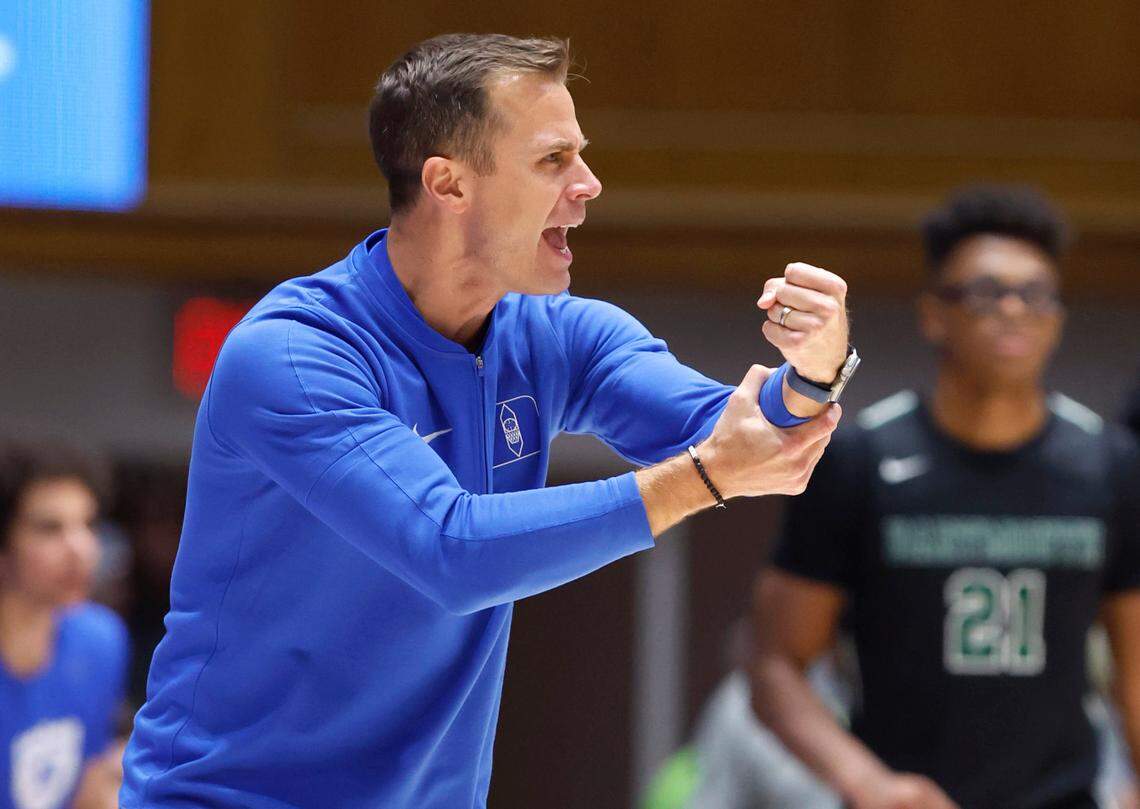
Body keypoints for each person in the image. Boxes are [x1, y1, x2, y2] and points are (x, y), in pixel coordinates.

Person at [120, 33, 856, 809]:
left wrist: (814, 370)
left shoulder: (556, 332)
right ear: (449, 183)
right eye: (553, 160)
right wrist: (704, 478)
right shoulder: (294, 355)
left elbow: (742, 433)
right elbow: (451, 548)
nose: (590, 184)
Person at [749, 185, 1140, 809]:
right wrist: (867, 783)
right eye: (988, 293)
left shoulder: (1109, 464)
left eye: (1035, 294)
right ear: (934, 314)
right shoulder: (862, 459)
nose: (1014, 309)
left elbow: (1134, 665)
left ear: (1057, 319)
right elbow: (775, 664)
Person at [0, 441, 129, 809]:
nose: (80, 547)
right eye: (49, 528)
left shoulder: (100, 640)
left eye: (88, 524)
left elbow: (88, 790)